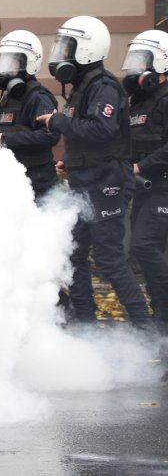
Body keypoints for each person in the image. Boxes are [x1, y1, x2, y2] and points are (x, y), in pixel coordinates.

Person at [37, 16, 152, 328]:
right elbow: (86, 135)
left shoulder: (104, 87)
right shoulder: (81, 89)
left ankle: (146, 333)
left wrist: (57, 121)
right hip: (85, 181)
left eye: (66, 46)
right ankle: (87, 330)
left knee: (111, 260)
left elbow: (101, 129)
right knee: (74, 257)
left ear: (87, 49)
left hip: (107, 184)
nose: (61, 52)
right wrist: (71, 162)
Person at [124, 30, 168, 333]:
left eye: (143, 60)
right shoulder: (138, 102)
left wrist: (142, 166)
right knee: (142, 251)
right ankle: (160, 319)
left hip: (163, 187)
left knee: (143, 246)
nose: (136, 66)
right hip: (143, 190)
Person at [0, 30, 60, 199]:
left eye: (10, 62)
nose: (4, 68)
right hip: (15, 182)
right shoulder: (8, 98)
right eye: (3, 61)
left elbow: (51, 135)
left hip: (38, 185)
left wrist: (5, 139)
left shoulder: (38, 97)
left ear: (29, 63)